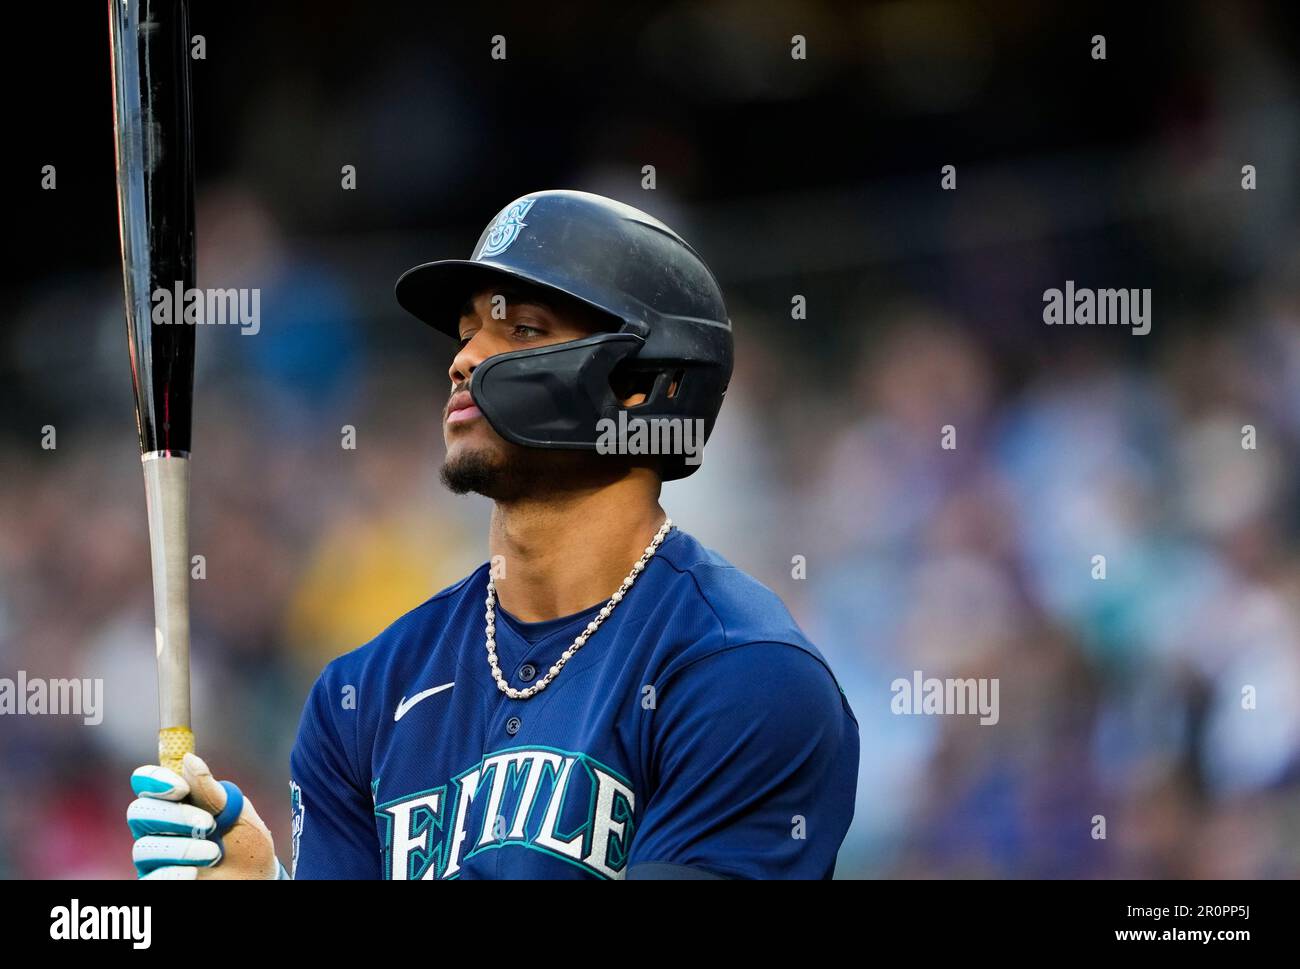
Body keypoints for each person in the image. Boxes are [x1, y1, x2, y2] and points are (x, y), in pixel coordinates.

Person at [126, 190, 860, 880]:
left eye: (522, 329)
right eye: (467, 330)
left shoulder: (746, 675)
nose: (464, 359)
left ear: (643, 383)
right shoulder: (360, 693)